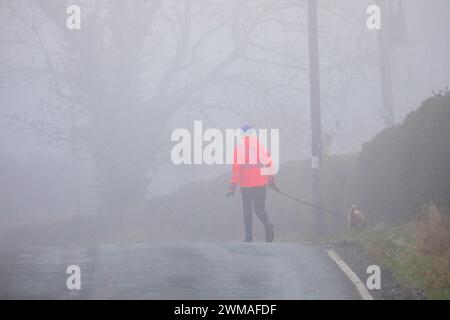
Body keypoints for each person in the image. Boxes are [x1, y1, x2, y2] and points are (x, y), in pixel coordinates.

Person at [226, 125, 278, 243]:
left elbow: (236, 169)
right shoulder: (260, 146)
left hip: (246, 185)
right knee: (259, 208)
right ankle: (267, 224)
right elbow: (269, 163)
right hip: (261, 182)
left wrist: (232, 186)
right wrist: (272, 181)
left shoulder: (239, 149)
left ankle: (249, 235)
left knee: (247, 209)